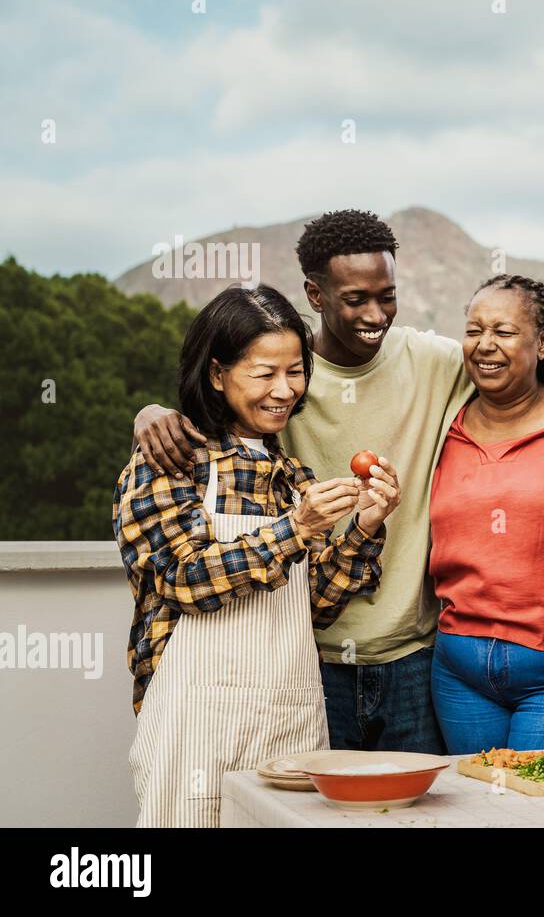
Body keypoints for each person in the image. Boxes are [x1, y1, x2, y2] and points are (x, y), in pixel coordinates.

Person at [134, 211, 544, 755]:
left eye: (387, 295)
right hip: (303, 657)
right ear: (315, 295)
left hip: (416, 657)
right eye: (355, 298)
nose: (375, 314)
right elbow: (220, 418)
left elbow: (522, 379)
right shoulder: (285, 382)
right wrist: (153, 412)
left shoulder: (434, 361)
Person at [114, 285, 401, 826]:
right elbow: (186, 580)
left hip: (289, 718)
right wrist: (296, 528)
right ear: (218, 374)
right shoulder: (170, 462)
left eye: (295, 372)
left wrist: (365, 525)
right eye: (264, 373)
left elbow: (311, 608)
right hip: (194, 726)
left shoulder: (292, 475)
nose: (283, 390)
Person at [427, 275, 544, 752]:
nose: (485, 345)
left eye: (504, 332)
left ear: (543, 341)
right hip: (458, 672)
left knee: (540, 811)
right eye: (474, 331)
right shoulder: (442, 428)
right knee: (475, 809)